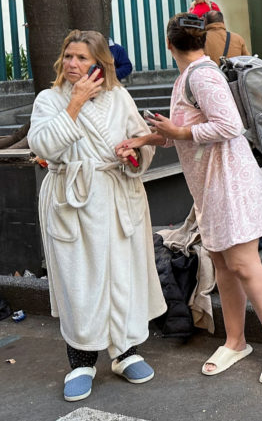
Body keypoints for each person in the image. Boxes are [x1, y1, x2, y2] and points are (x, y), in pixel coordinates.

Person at [119, 13, 262, 384]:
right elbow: (180, 132)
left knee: (245, 265)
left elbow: (229, 125)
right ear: (203, 40)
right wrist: (149, 138)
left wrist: (178, 130)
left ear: (168, 45)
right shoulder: (188, 76)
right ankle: (235, 341)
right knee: (221, 264)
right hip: (212, 188)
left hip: (231, 184)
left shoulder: (202, 74)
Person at [28, 30, 165, 402]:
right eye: (68, 56)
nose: (73, 64)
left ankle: (124, 352)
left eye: (82, 58)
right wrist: (74, 104)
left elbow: (141, 143)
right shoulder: (49, 99)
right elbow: (41, 146)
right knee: (80, 281)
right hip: (72, 199)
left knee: (123, 274)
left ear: (99, 64)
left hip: (117, 193)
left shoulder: (120, 97)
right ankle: (81, 361)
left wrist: (132, 156)